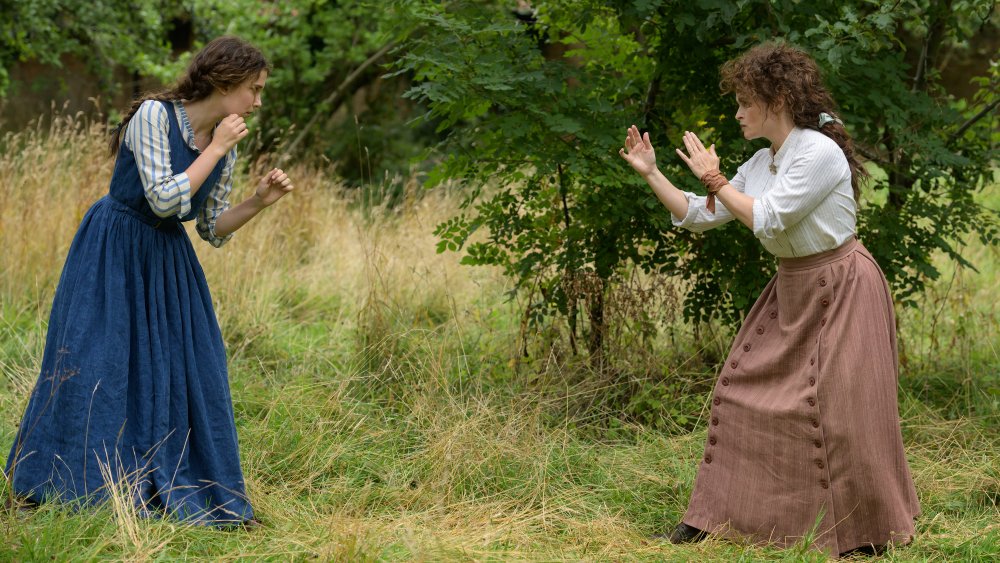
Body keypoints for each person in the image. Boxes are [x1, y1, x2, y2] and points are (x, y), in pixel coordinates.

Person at [619, 42, 919, 556]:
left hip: (843, 286)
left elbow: (768, 217)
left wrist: (713, 177)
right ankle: (714, 518)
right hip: (793, 287)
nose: (736, 112)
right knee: (738, 394)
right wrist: (652, 172)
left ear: (776, 99)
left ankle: (863, 533)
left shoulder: (818, 152)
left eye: (744, 101)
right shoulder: (762, 160)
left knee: (844, 413)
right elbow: (702, 214)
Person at [5, 36, 293, 526]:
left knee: (189, 365)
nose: (258, 101)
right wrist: (218, 146)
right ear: (224, 81)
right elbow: (163, 200)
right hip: (113, 247)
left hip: (166, 258)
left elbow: (210, 227)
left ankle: (178, 483)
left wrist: (257, 203)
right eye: (254, 89)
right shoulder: (155, 117)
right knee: (97, 360)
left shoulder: (224, 146)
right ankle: (57, 484)